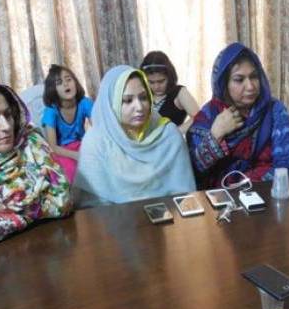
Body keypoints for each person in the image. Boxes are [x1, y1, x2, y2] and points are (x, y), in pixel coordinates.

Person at [74, 66, 196, 207]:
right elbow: (91, 205)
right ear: (111, 104)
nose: (139, 107)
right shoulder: (96, 141)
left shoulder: (168, 135)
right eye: (127, 100)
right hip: (112, 223)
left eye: (143, 98)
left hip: (167, 219)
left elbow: (185, 197)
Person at [0, 80, 71, 250]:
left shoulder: (32, 143)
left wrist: (0, 211)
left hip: (54, 245)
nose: (6, 126)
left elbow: (63, 201)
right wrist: (34, 211)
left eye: (8, 114)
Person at [188, 42, 289, 188]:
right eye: (239, 79)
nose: (250, 86)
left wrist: (244, 186)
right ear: (223, 83)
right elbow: (193, 173)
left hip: (266, 194)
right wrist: (215, 135)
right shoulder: (209, 116)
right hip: (219, 201)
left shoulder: (274, 111)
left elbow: (285, 168)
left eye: (254, 76)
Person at [41, 64, 93, 183]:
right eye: (59, 82)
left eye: (69, 79)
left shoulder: (85, 103)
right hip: (61, 152)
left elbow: (99, 130)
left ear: (75, 82)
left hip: (82, 146)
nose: (66, 84)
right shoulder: (51, 112)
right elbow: (53, 147)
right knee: (71, 171)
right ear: (52, 90)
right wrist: (76, 155)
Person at [140, 51, 200, 133]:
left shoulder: (179, 93)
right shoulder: (143, 94)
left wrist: (175, 133)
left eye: (161, 81)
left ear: (169, 76)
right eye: (151, 82)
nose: (156, 86)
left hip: (171, 144)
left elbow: (199, 117)